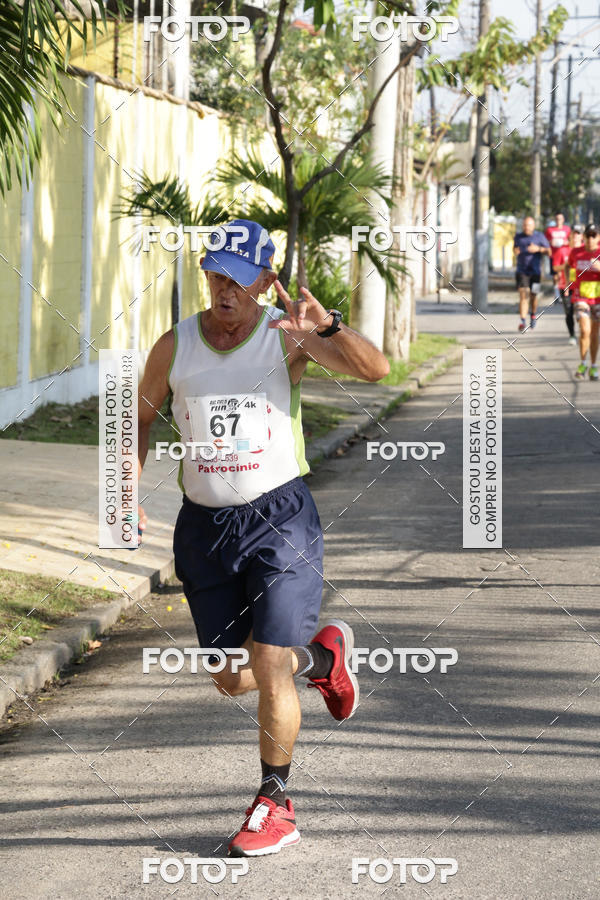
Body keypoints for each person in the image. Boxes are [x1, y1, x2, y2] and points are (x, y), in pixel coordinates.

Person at [136, 219, 390, 857]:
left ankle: (274, 803)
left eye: (240, 280)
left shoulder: (288, 335)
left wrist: (326, 328)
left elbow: (376, 370)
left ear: (265, 281)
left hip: (280, 519)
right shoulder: (175, 344)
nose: (226, 290)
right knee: (231, 677)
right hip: (204, 528)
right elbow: (138, 414)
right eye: (216, 276)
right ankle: (324, 660)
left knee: (271, 663)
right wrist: (124, 493)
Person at [566, 223, 600, 380]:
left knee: (594, 333)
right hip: (581, 297)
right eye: (588, 235)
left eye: (594, 235)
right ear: (584, 237)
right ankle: (583, 363)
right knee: (585, 330)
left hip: (598, 298)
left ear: (598, 238)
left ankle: (593, 366)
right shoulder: (576, 252)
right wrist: (569, 282)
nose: (591, 239)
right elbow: (568, 266)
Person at [513, 216, 551, 332]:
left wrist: (538, 249)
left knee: (534, 296)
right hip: (522, 271)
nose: (526, 227)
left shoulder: (540, 236)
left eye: (529, 225)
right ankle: (523, 321)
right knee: (523, 294)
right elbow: (515, 249)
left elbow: (549, 251)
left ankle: (533, 315)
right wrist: (515, 251)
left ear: (533, 226)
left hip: (535, 273)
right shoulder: (518, 236)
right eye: (525, 225)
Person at [559, 227, 583, 346]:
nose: (575, 237)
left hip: (581, 287)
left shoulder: (586, 250)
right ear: (570, 237)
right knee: (569, 313)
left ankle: (584, 332)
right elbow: (557, 267)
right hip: (566, 286)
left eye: (578, 235)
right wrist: (565, 266)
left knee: (582, 312)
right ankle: (572, 335)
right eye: (573, 235)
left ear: (582, 236)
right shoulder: (564, 250)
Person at [545, 213, 571, 300]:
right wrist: (550, 242)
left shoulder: (567, 229)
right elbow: (545, 241)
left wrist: (565, 242)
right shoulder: (549, 230)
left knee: (564, 274)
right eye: (557, 219)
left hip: (564, 255)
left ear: (563, 220)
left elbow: (572, 241)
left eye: (560, 219)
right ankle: (557, 294)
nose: (558, 220)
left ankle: (565, 292)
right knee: (556, 275)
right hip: (554, 255)